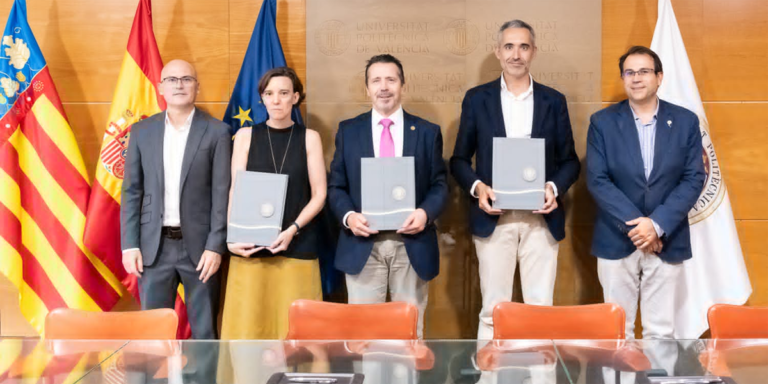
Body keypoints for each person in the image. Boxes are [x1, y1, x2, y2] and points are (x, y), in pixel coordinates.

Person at [450, 20, 580, 340]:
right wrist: (478, 188)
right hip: (493, 219)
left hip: (541, 220)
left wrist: (553, 188)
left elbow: (569, 162)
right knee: (494, 311)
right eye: (509, 46)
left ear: (533, 51)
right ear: (498, 52)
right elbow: (458, 161)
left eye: (523, 46)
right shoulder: (477, 99)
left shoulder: (554, 101)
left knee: (540, 310)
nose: (516, 54)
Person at [586, 45, 705, 343]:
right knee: (616, 333)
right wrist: (639, 226)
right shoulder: (602, 122)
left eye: (643, 71)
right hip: (616, 239)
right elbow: (598, 180)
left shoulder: (686, 121)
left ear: (659, 77)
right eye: (629, 72)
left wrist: (656, 225)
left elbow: (693, 179)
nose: (636, 78)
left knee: (661, 332)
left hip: (667, 239)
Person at [328, 54, 448, 338]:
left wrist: (425, 213)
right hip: (362, 246)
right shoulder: (349, 131)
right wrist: (348, 217)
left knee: (409, 335)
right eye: (376, 80)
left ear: (402, 85)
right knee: (364, 337)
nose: (384, 87)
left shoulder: (428, 132)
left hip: (411, 245)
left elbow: (440, 184)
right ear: (366, 88)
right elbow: (336, 186)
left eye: (391, 80)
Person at [121, 59, 231, 340]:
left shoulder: (217, 132)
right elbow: (132, 191)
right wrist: (130, 244)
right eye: (171, 79)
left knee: (205, 332)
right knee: (152, 333)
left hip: (201, 250)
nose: (179, 85)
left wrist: (215, 246)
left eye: (186, 79)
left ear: (197, 86)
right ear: (161, 87)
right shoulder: (142, 132)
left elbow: (221, 193)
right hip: (152, 250)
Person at [222, 67, 326, 339]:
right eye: (269, 94)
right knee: (250, 329)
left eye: (283, 93)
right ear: (262, 99)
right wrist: (232, 238)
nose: (276, 100)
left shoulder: (310, 137)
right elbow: (235, 190)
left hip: (297, 246)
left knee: (298, 333)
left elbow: (319, 195)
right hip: (250, 247)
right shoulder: (245, 136)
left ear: (296, 97)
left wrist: (292, 229)